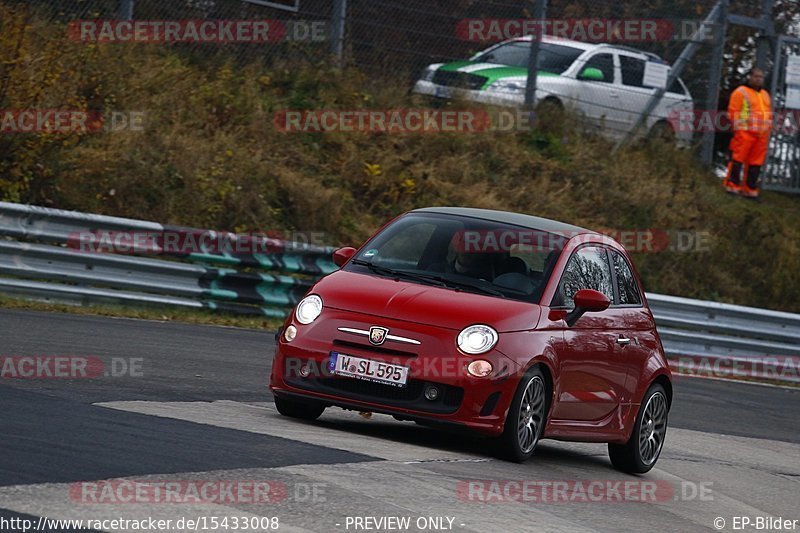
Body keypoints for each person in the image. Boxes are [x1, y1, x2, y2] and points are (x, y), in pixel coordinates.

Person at [723, 68, 773, 199]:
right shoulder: (741, 92)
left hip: (761, 134)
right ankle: (732, 187)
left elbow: (767, 113)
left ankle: (750, 190)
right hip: (745, 132)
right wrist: (739, 129)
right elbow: (733, 112)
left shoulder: (765, 94)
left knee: (755, 163)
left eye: (761, 77)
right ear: (749, 77)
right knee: (737, 159)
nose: (759, 79)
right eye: (756, 76)